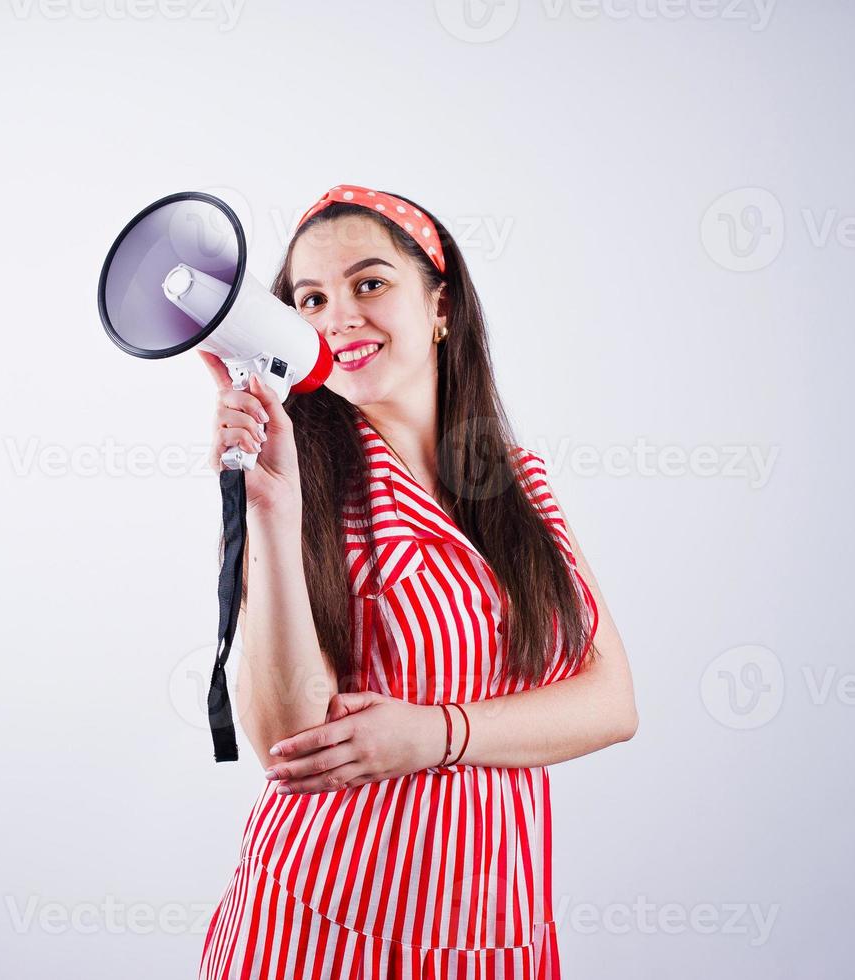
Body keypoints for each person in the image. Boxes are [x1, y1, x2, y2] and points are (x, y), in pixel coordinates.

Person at [195, 183, 638, 979]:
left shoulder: (517, 488)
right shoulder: (301, 479)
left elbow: (611, 703)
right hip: (319, 929)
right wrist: (270, 505)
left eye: (370, 283)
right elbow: (285, 744)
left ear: (441, 308)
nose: (339, 318)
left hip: (490, 927)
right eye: (311, 299)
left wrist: (433, 735)